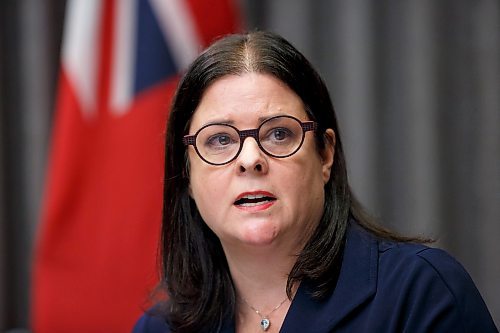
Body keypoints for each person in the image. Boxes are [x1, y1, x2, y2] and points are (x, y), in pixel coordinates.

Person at [132, 31, 498, 333]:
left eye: (278, 134)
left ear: (325, 155)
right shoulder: (158, 329)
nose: (250, 159)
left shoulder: (420, 292)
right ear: (187, 176)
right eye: (220, 139)